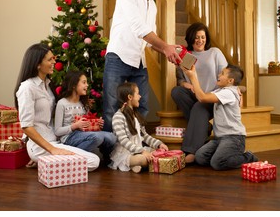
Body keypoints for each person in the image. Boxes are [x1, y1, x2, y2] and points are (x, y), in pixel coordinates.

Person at [103, 0, 182, 132]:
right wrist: (165, 46)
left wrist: (168, 51)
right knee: (111, 107)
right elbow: (139, 28)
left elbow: (148, 38)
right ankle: (112, 155)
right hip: (118, 56)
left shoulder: (152, 5)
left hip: (139, 61)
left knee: (143, 106)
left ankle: (137, 143)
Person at [14, 43, 100, 171]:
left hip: (54, 141)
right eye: (50, 59)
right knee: (93, 161)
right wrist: (53, 150)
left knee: (97, 156)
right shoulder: (27, 88)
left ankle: (47, 164)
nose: (54, 61)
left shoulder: (48, 85)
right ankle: (45, 162)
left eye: (53, 58)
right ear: (38, 64)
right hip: (41, 146)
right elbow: (26, 126)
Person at [182, 64, 258, 170]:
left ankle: (248, 157)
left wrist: (192, 76)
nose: (218, 75)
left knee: (217, 163)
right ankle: (222, 155)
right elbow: (202, 95)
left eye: (222, 73)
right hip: (219, 138)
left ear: (230, 80)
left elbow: (203, 98)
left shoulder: (228, 93)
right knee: (200, 158)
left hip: (234, 138)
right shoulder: (221, 91)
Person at [171, 22, 227, 163]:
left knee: (199, 106)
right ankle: (204, 125)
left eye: (203, 37)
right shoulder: (185, 55)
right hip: (194, 94)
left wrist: (234, 87)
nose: (200, 40)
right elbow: (179, 79)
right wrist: (186, 84)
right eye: (196, 37)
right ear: (190, 38)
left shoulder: (215, 52)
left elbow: (226, 75)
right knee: (177, 91)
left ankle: (191, 150)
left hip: (211, 97)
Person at [54, 70, 117, 163]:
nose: (87, 85)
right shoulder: (62, 103)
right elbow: (57, 131)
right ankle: (72, 155)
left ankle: (106, 158)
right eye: (84, 82)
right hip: (68, 137)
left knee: (112, 137)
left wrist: (96, 123)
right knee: (97, 137)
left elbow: (87, 126)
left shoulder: (83, 103)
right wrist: (75, 126)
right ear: (74, 85)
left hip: (82, 135)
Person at [109, 82, 169, 173]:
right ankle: (136, 163)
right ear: (130, 97)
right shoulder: (118, 117)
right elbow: (124, 141)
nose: (140, 96)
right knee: (144, 159)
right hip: (126, 154)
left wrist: (159, 144)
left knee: (159, 152)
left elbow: (144, 135)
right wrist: (142, 151)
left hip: (138, 150)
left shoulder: (136, 115)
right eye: (137, 93)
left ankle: (138, 165)